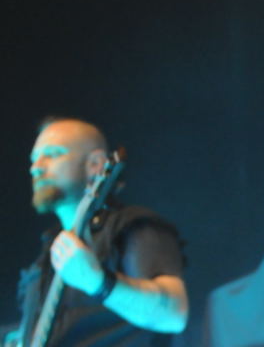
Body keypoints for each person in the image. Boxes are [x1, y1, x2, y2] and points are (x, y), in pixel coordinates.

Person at [7, 117, 188, 347]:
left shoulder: (130, 227)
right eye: (34, 159)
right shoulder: (44, 259)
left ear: (95, 164)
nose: (36, 167)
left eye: (52, 154)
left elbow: (173, 315)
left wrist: (98, 282)